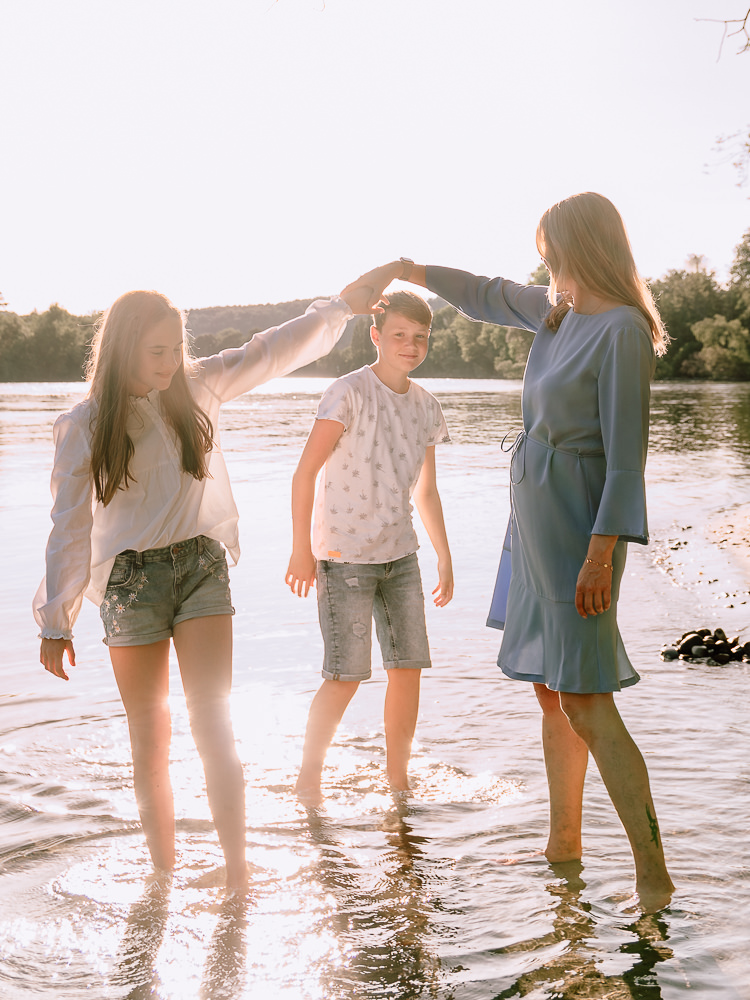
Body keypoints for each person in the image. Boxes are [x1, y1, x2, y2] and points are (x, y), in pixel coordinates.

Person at [367, 193, 675, 913]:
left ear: (581, 249)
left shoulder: (622, 331)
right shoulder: (555, 311)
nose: (545, 267)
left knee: (587, 698)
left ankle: (654, 874)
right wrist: (409, 267)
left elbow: (628, 459)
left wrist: (602, 555)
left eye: (551, 253)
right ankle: (562, 845)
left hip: (580, 526)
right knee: (549, 689)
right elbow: (479, 294)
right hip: (532, 516)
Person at [34, 272, 385, 891]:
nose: (172, 362)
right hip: (130, 586)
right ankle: (164, 880)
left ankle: (237, 870)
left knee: (212, 725)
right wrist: (56, 622)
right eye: (158, 351)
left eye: (177, 348)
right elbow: (69, 527)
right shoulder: (84, 425)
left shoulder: (197, 389)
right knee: (151, 739)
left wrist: (341, 309)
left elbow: (271, 349)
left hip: (200, 570)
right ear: (122, 350)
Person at [285, 290, 453, 806]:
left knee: (408, 670)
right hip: (343, 558)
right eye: (399, 335)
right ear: (376, 336)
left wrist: (443, 555)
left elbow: (425, 489)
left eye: (420, 338)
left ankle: (397, 779)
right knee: (346, 675)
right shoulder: (346, 393)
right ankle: (308, 779)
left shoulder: (426, 406)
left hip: (400, 557)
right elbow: (305, 471)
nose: (410, 345)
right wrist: (301, 550)